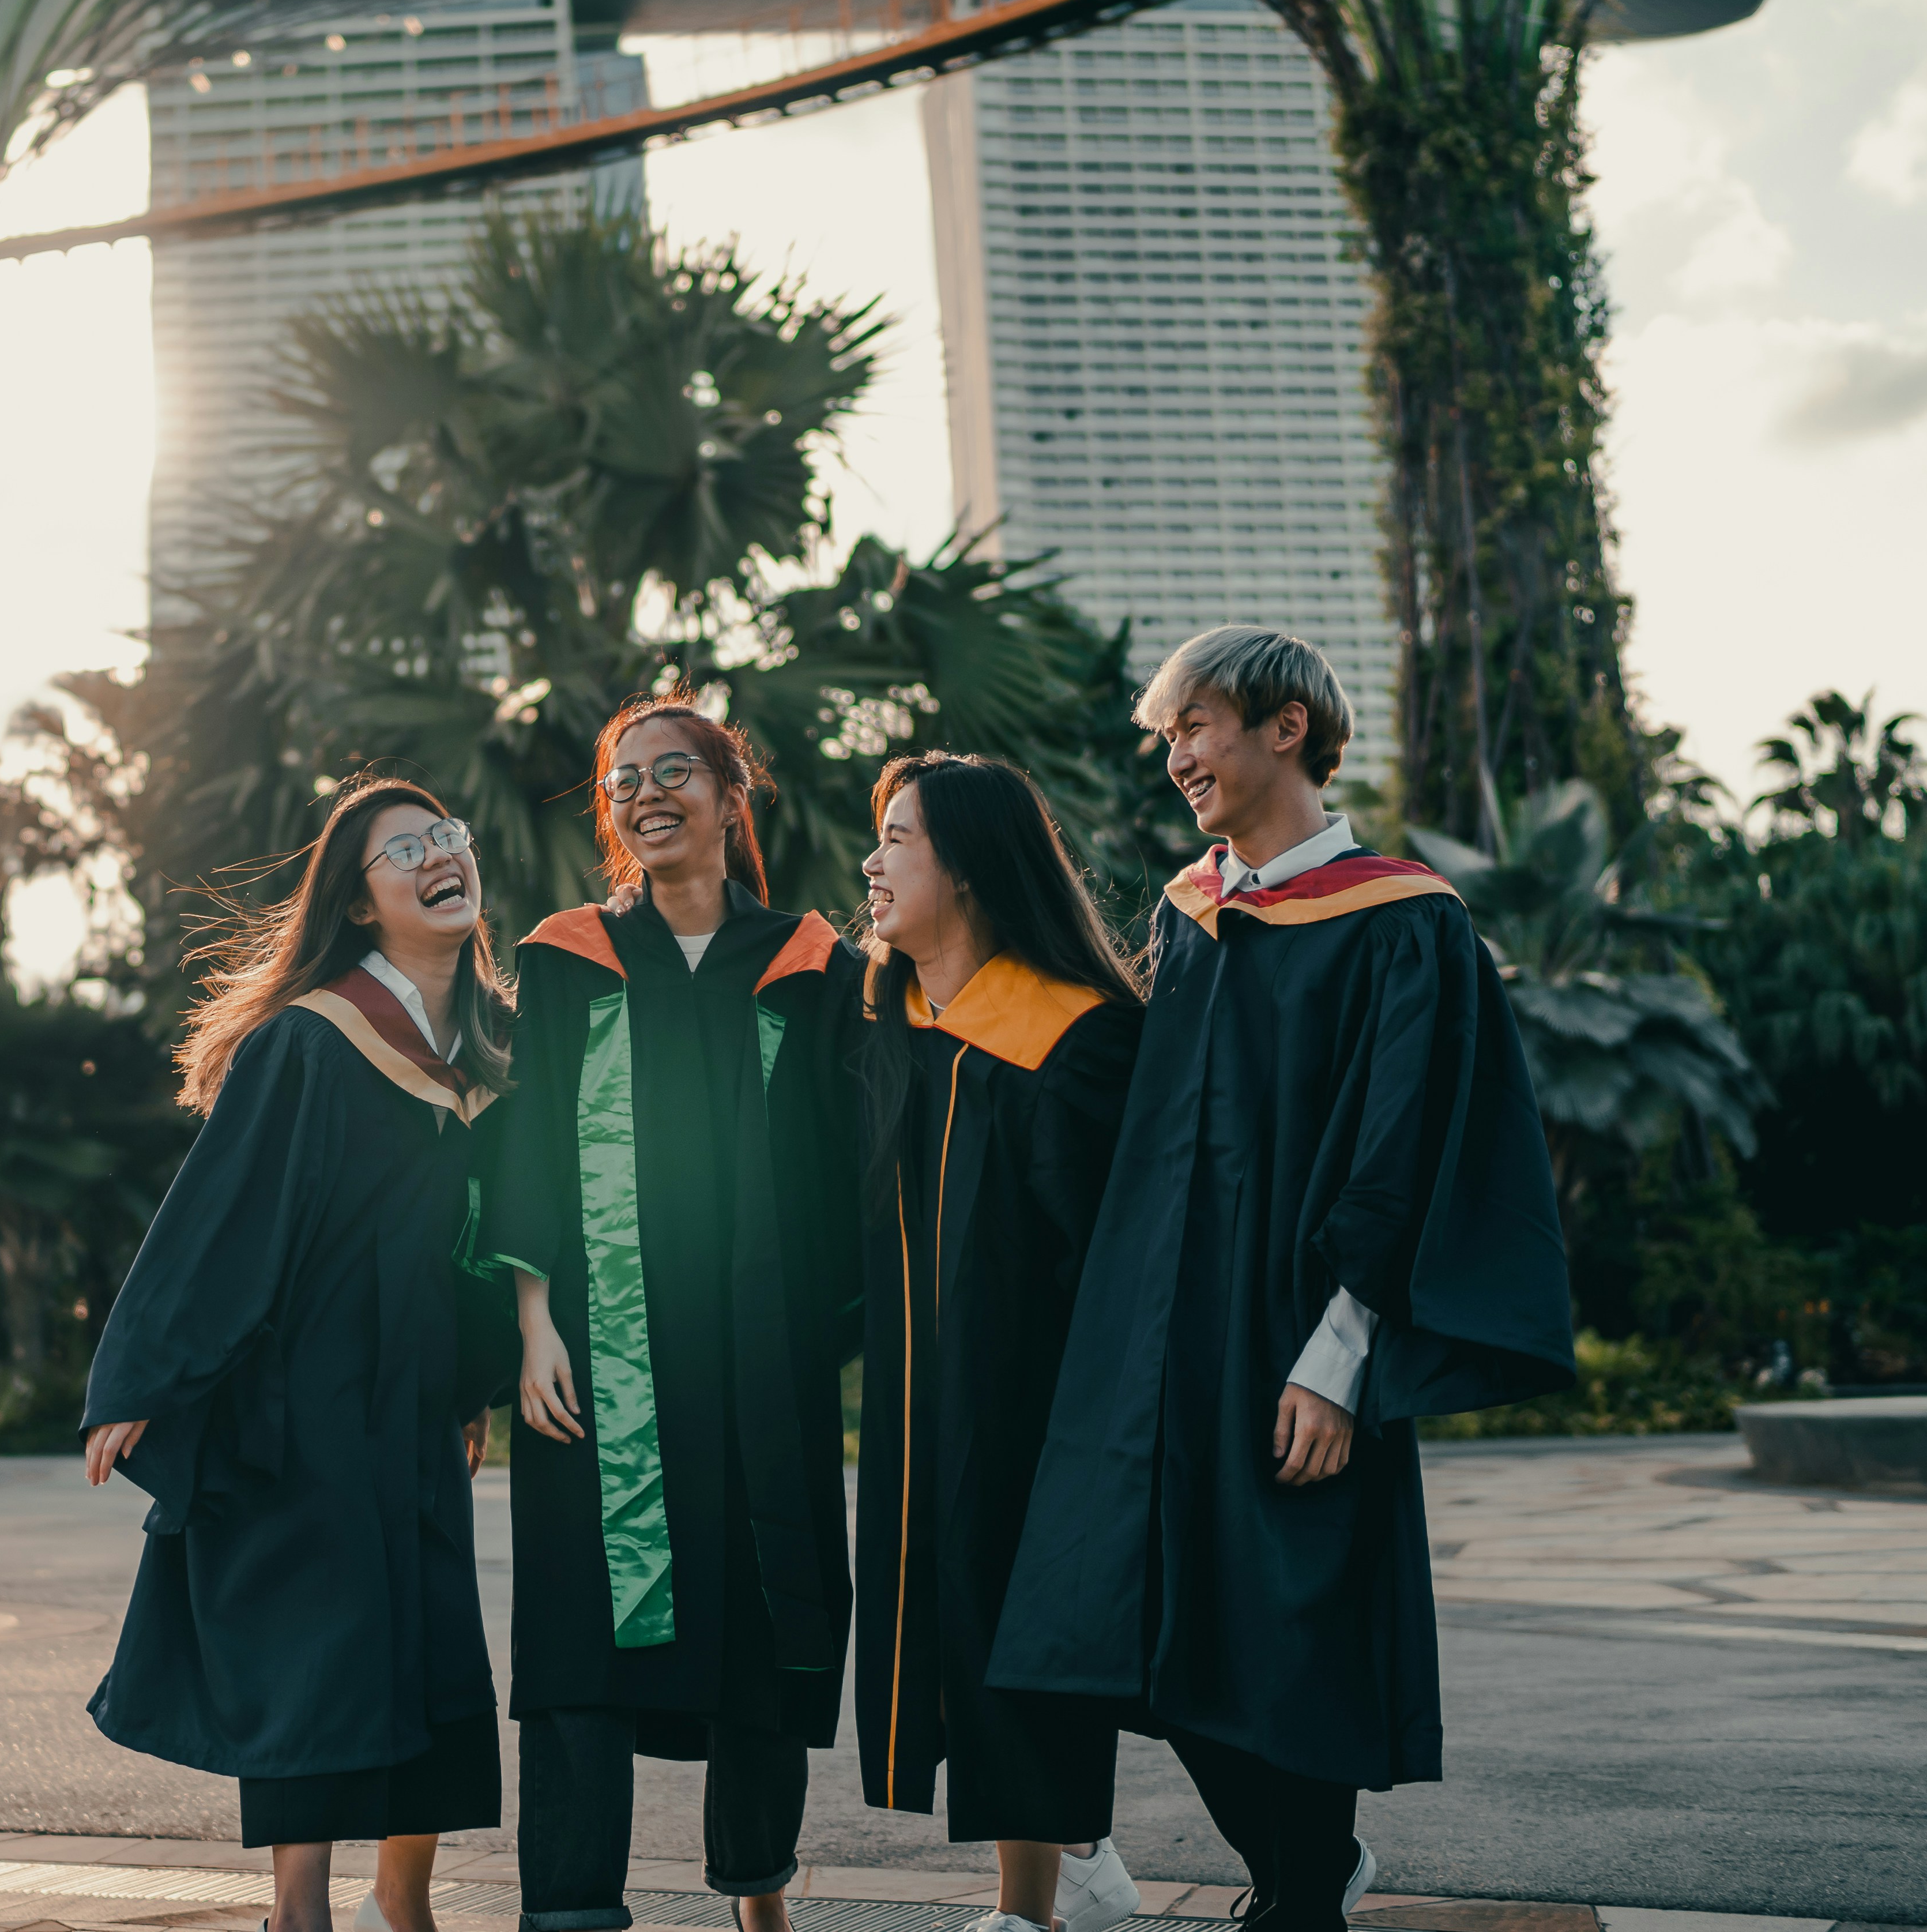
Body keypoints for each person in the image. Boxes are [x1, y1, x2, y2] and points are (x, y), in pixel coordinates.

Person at [991, 628, 1575, 1932]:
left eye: (1194, 725)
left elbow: (1404, 1145)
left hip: (1296, 1337)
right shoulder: (1187, 911)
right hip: (1157, 1336)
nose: (1175, 755)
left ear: (1286, 727)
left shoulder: (1403, 917)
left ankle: (1305, 1878)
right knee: (1110, 1619)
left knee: (1281, 1632)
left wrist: (1341, 1351)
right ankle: (1305, 1869)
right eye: (1168, 735)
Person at [82, 777, 515, 1932]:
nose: (439, 855)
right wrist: (145, 1376)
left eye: (447, 838)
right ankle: (300, 1909)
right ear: (362, 903)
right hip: (309, 1399)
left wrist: (470, 1378)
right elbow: (223, 1211)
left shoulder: (478, 1053)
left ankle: (405, 1903)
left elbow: (478, 1245)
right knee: (315, 1650)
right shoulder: (312, 1039)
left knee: (423, 1646)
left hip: (414, 1402)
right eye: (405, 849)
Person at [479, 694, 860, 1932]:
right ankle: (572, 1909)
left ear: (730, 792)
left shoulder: (813, 965)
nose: (647, 793)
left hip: (762, 1348)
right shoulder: (566, 954)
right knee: (580, 1626)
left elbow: (844, 1160)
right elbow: (528, 1139)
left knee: (762, 1603)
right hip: (596, 1347)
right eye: (623, 778)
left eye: (674, 770)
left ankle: (759, 1892)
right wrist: (533, 1322)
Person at [846, 753, 1148, 1932]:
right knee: (970, 1632)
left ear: (967, 866)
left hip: (1046, 1414)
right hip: (928, 1404)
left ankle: (1054, 1887)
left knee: (1030, 1638)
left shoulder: (1080, 1042)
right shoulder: (893, 1025)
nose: (872, 860)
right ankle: (1053, 1878)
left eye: (899, 837)